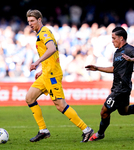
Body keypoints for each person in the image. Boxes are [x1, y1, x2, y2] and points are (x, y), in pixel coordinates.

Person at [26, 9, 93, 142]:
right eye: (28, 21)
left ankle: (86, 129)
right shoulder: (40, 33)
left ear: (39, 20)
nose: (30, 24)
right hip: (46, 73)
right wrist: (42, 69)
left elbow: (52, 49)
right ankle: (43, 130)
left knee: (60, 105)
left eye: (32, 21)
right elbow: (49, 54)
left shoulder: (44, 33)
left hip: (52, 75)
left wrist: (37, 62)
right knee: (29, 98)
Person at [85, 27, 134, 141]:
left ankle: (100, 134)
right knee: (124, 111)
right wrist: (97, 68)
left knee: (104, 111)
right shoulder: (117, 52)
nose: (112, 41)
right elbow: (114, 69)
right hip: (119, 86)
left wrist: (131, 59)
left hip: (121, 88)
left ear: (121, 38)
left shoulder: (129, 49)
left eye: (114, 38)